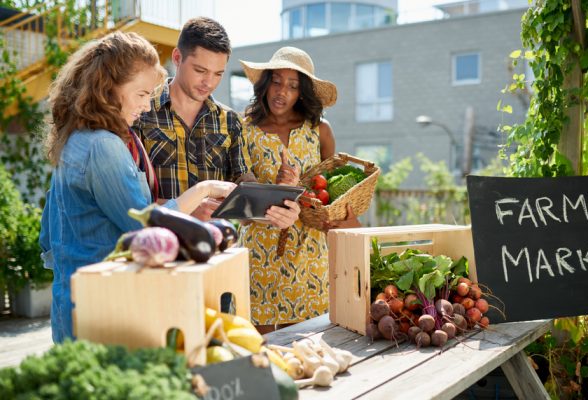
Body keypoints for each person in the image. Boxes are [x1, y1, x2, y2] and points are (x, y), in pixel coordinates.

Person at [39, 32, 240, 343]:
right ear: (108, 89)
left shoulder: (78, 139)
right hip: (105, 307)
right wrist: (204, 189)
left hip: (74, 300)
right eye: (142, 94)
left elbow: (48, 236)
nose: (147, 106)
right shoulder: (103, 146)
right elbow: (141, 222)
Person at [132, 17, 300, 226]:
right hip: (158, 247)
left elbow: (245, 202)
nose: (209, 83)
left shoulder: (230, 122)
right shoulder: (140, 112)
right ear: (177, 57)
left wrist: (277, 209)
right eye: (200, 71)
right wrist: (186, 210)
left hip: (216, 250)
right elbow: (127, 202)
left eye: (218, 74)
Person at [238, 47, 360, 333]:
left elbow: (329, 193)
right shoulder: (244, 130)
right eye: (277, 81)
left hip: (309, 254)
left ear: (301, 92)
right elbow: (242, 201)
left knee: (308, 347)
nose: (282, 92)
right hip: (260, 253)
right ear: (266, 83)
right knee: (260, 349)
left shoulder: (320, 130)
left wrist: (300, 190)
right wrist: (277, 189)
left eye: (293, 86)